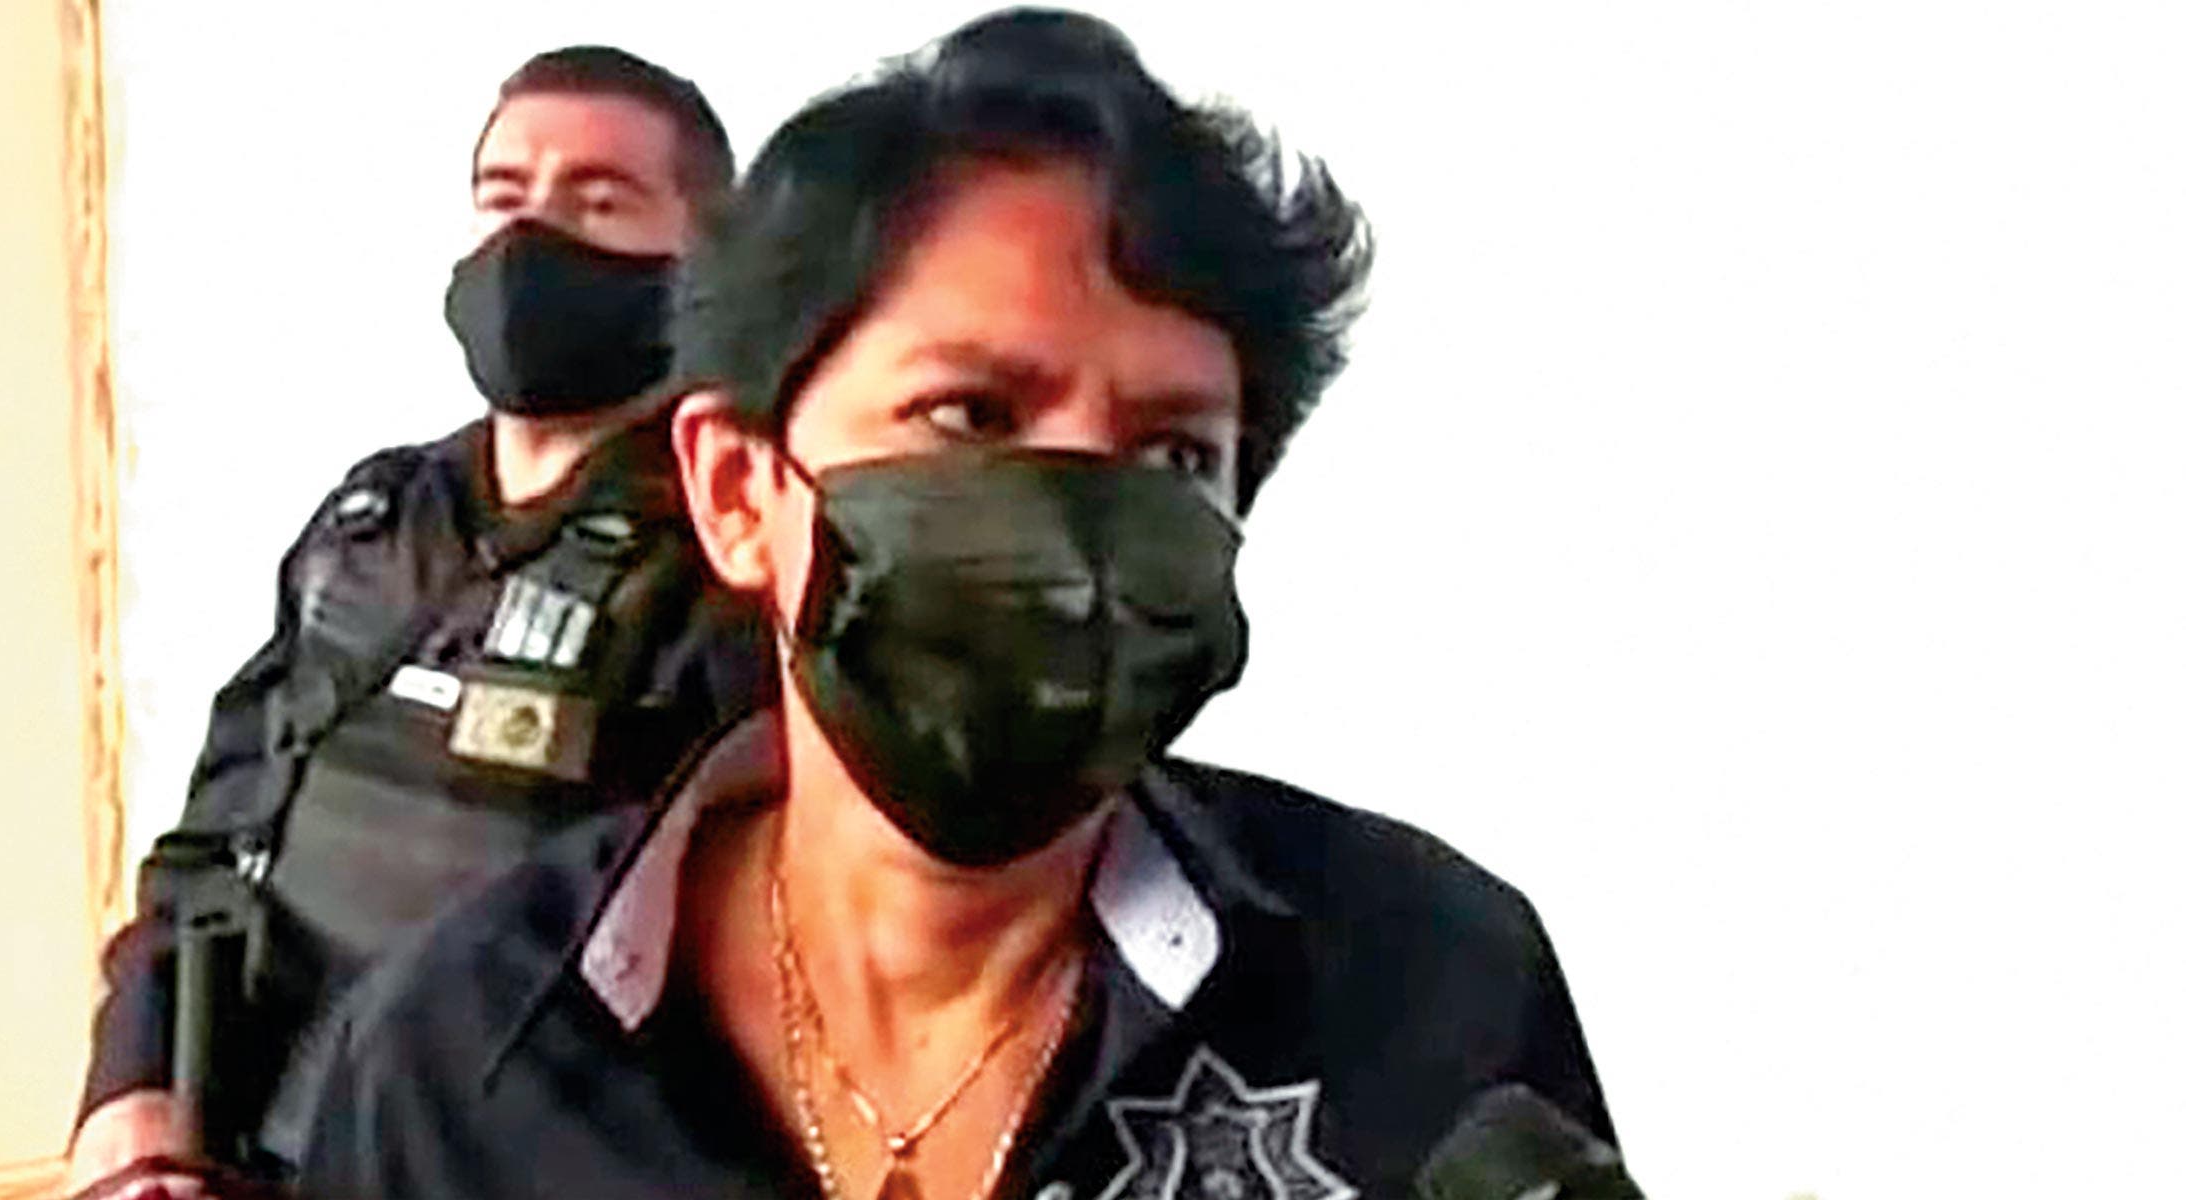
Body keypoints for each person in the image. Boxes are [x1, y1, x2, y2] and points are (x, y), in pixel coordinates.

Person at [295, 10, 1616, 1200]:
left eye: (1173, 455)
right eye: (970, 415)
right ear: (739, 490)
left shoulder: (1427, 984)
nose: (1073, 530)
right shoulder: (456, 1060)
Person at [65, 45, 769, 1195]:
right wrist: (134, 1081)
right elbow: (218, 836)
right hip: (242, 1147)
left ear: (705, 259)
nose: (530, 236)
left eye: (597, 202)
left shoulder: (733, 566)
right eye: (504, 195)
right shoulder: (375, 519)